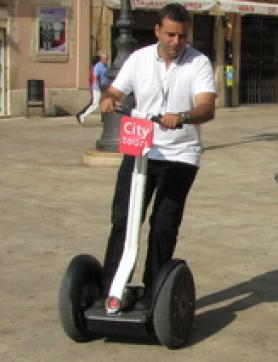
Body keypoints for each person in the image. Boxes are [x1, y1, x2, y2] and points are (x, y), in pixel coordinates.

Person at [99, 3, 216, 309]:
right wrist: (109, 99)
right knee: (124, 218)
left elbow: (207, 107)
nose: (176, 42)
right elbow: (115, 90)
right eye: (170, 35)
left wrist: (183, 117)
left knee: (163, 223)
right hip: (142, 149)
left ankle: (154, 294)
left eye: (182, 35)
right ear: (157, 31)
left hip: (180, 155)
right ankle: (111, 289)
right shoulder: (138, 59)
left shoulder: (199, 63)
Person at [76, 52, 109, 125]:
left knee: (104, 103)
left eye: (107, 58)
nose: (106, 60)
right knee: (95, 104)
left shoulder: (106, 66)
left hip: (104, 88)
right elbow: (96, 78)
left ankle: (105, 119)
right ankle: (82, 115)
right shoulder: (98, 66)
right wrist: (99, 86)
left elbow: (106, 77)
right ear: (101, 58)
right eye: (105, 58)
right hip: (97, 88)